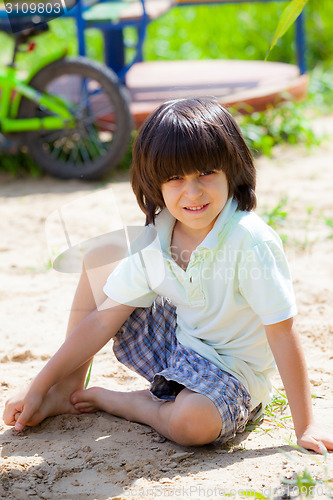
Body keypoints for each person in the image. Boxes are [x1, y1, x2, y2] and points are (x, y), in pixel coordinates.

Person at [3, 98, 332, 452]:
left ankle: (135, 404)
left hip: (233, 375)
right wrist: (39, 386)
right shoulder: (159, 235)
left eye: (205, 173)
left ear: (231, 171)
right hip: (179, 344)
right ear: (154, 184)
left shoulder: (249, 240)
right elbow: (102, 321)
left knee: (192, 424)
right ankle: (67, 389)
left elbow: (281, 330)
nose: (192, 192)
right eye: (175, 178)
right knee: (100, 256)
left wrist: (306, 426)